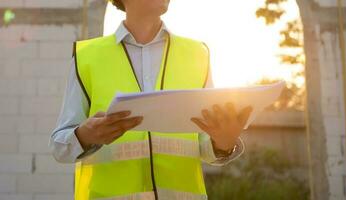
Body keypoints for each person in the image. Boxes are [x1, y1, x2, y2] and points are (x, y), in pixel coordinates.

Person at [50, 0, 252, 199]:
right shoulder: (87, 57)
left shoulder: (197, 54)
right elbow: (59, 147)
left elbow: (203, 143)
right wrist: (85, 135)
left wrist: (223, 144)